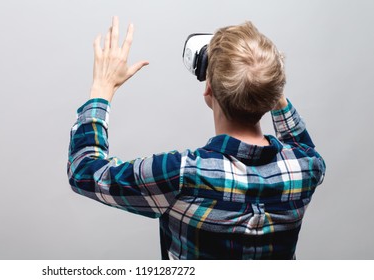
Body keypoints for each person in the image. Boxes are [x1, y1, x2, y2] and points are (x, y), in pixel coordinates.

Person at [67, 16, 326, 259]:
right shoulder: (305, 169)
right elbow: (300, 144)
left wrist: (101, 89)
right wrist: (265, 79)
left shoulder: (181, 175)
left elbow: (84, 171)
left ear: (208, 90)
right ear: (273, 93)